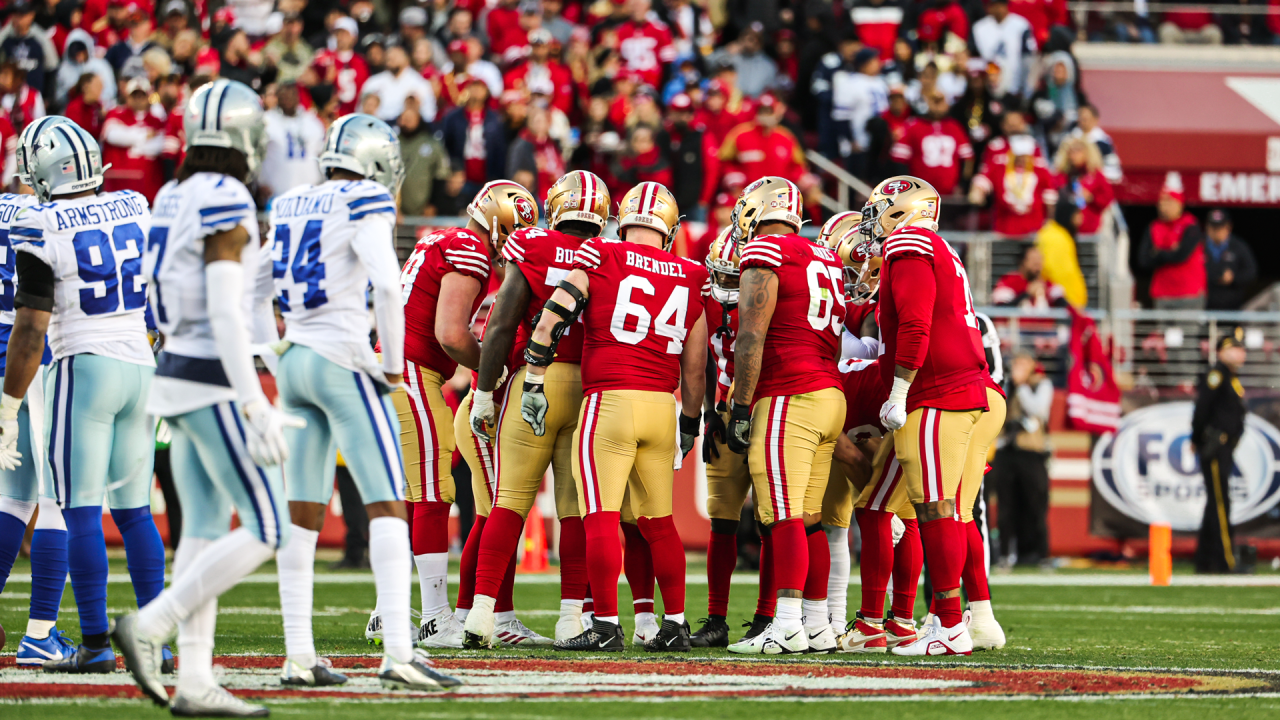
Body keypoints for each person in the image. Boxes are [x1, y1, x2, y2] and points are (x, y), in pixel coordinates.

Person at [105, 79, 287, 714]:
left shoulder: (173, 192)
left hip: (173, 369)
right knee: (270, 526)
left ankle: (195, 680)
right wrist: (254, 400)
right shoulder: (226, 193)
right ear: (245, 135)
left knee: (204, 531)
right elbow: (225, 310)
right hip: (211, 373)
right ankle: (151, 625)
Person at [267, 113, 454, 689]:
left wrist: (271, 349)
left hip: (293, 356)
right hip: (341, 359)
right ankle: (399, 652)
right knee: (388, 506)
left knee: (301, 517)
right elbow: (388, 283)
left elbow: (259, 281)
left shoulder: (290, 200)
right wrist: (394, 369)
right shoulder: (366, 197)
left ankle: (299, 656)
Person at [506, 181, 707, 653]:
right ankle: (674, 624)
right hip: (662, 403)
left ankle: (604, 624)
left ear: (624, 218)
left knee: (599, 516)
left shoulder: (601, 253)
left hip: (610, 400)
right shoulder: (691, 272)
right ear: (669, 228)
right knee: (660, 522)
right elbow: (695, 364)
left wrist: (535, 373)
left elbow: (553, 314)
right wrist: (691, 421)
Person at [2, 120, 167, 675]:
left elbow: (29, 330)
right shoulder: (135, 205)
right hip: (140, 365)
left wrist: (8, 403)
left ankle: (96, 643)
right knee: (137, 514)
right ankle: (155, 640)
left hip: (84, 368)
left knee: (78, 512)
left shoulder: (41, 223)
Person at [462, 171, 611, 647]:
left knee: (508, 500)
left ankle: (483, 614)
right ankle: (571, 618)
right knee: (572, 510)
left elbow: (503, 322)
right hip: (586, 388)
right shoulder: (611, 255)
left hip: (535, 381)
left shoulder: (532, 243)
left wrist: (484, 392)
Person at [844, 175, 991, 657]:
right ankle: (935, 620)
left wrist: (901, 388)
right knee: (911, 506)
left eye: (878, 208)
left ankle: (949, 624)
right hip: (957, 387)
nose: (871, 220)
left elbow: (915, 321)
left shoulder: (910, 240)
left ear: (902, 209)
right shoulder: (936, 244)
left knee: (934, 508)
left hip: (936, 390)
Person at [389, 180, 538, 652]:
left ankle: (385, 612)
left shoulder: (437, 237)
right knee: (435, 492)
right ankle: (435, 618)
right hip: (411, 370)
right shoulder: (468, 249)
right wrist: (492, 370)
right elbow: (452, 335)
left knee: (413, 493)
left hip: (395, 365)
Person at [724, 177, 846, 655]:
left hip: (789, 393)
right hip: (828, 393)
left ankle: (789, 623)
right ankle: (817, 624)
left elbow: (751, 336)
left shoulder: (767, 252)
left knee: (783, 516)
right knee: (811, 518)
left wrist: (739, 405)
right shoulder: (828, 258)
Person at [0, 121, 73, 670]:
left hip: (3, 365)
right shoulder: (46, 217)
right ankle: (41, 632)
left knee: (13, 499)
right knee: (56, 500)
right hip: (36, 362)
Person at [689, 226, 781, 649]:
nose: (727, 284)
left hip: (768, 407)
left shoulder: (767, 286)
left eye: (734, 276)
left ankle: (767, 616)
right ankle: (716, 617)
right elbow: (704, 357)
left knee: (772, 517)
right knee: (722, 517)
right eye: (722, 276)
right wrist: (710, 410)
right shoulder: (704, 295)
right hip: (728, 407)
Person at [1191, 328, 1247, 574]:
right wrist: (1198, 437)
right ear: (1222, 351)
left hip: (1224, 446)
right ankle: (1226, 560)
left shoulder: (1230, 377)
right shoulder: (1217, 375)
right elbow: (1202, 409)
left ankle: (1205, 560)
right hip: (1216, 446)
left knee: (1215, 503)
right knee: (1221, 503)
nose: (1240, 352)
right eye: (1235, 347)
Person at [995, 352, 1052, 567]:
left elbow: (1038, 410)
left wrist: (1022, 386)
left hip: (1031, 451)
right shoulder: (1005, 384)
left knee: (1035, 503)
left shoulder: (1041, 385)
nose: (1018, 367)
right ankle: (1006, 553)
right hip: (1006, 450)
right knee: (1006, 505)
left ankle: (1039, 553)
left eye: (1023, 363)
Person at [1138, 177, 1206, 310]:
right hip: (1162, 293)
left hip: (1189, 293)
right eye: (1161, 202)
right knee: (1164, 331)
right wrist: (1170, 252)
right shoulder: (1154, 227)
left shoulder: (1190, 224)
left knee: (1186, 331)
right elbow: (1143, 260)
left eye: (1169, 201)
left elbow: (1181, 255)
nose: (1164, 206)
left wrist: (1158, 253)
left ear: (1179, 204)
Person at [889, 90, 973, 195]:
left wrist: (962, 185)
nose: (937, 105)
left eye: (940, 101)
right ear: (927, 102)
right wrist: (907, 188)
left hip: (949, 194)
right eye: (934, 101)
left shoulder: (955, 127)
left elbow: (968, 158)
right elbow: (899, 159)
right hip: (920, 194)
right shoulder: (913, 125)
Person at [260, 81, 326, 201]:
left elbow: (321, 155)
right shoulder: (266, 121)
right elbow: (257, 155)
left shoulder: (312, 122)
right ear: (277, 97)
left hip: (309, 192)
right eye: (283, 95)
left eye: (291, 94)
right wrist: (259, 182)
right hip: (276, 193)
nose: (288, 99)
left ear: (297, 97)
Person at [101, 77, 165, 202]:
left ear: (148, 97)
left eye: (142, 96)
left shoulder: (157, 121)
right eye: (134, 96)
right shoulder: (116, 114)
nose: (138, 100)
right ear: (127, 97)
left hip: (147, 186)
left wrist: (134, 146)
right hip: (117, 185)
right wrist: (144, 135)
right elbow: (112, 135)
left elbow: (159, 145)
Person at [971, 0, 1036, 98]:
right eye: (994, 5)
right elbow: (975, 58)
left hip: (1016, 83)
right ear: (988, 7)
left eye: (1000, 5)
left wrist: (1024, 86)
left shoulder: (1021, 24)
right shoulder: (979, 27)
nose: (998, 9)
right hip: (988, 85)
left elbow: (1028, 58)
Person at [397, 103, 452, 216]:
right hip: (397, 210)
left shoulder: (432, 144)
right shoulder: (391, 144)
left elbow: (440, 176)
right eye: (404, 118)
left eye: (410, 119)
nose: (406, 122)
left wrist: (434, 204)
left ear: (419, 120)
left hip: (423, 209)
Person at [362, 43, 437, 124]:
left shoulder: (420, 84)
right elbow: (360, 112)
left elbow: (429, 115)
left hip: (406, 132)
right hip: (377, 127)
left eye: (396, 55)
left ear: (407, 58)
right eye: (389, 56)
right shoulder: (373, 82)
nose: (391, 57)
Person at [312, 16, 369, 115]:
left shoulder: (362, 62)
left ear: (354, 37)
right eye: (338, 33)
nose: (341, 37)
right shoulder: (323, 57)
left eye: (345, 33)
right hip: (327, 114)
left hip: (354, 115)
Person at [1203, 209, 1257, 311]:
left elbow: (1251, 272)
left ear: (1228, 227)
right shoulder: (1198, 245)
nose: (1217, 231)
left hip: (1232, 306)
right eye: (1213, 227)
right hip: (1203, 305)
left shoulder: (1238, 246)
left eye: (1220, 227)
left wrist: (1233, 278)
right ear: (1207, 227)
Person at [992, 245, 1068, 308]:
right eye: (1033, 260)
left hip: (1045, 325)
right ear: (1022, 262)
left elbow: (1064, 306)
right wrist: (1027, 294)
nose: (1037, 264)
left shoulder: (1048, 283)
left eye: (1040, 259)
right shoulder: (1009, 281)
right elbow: (1001, 308)